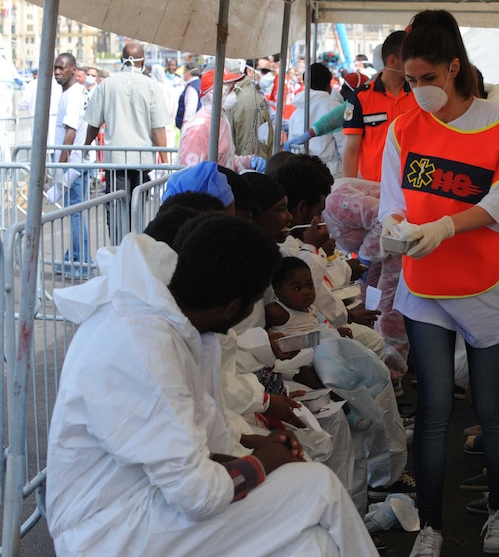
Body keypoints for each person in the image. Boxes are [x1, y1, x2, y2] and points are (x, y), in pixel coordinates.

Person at [46, 215, 378, 556]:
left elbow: (186, 448)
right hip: (110, 530)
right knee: (318, 487)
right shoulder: (144, 347)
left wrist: (261, 452)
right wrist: (264, 461)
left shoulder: (166, 320)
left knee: (313, 546)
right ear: (234, 307)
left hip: (144, 502)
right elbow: (197, 495)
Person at [378, 10, 499, 556]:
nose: (419, 90)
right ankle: (431, 525)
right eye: (411, 81)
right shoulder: (405, 127)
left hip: (485, 282)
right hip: (424, 283)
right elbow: (396, 200)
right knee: (432, 410)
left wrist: (448, 225)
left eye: (428, 78)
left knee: (491, 407)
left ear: (454, 67)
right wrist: (396, 226)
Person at [84, 42, 171, 245]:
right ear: (143, 61)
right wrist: (166, 162)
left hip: (116, 160)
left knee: (115, 209)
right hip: (142, 159)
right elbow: (158, 128)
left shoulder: (107, 84)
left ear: (122, 60)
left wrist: (86, 145)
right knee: (137, 209)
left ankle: (119, 249)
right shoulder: (151, 86)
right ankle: (135, 249)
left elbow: (94, 122)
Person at [342, 30, 418, 181]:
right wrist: (348, 187)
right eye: (410, 58)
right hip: (375, 188)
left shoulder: (419, 96)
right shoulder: (361, 97)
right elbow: (352, 149)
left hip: (411, 186)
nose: (415, 64)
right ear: (392, 61)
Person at [178, 69, 266, 173]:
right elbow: (190, 175)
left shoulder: (221, 120)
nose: (234, 93)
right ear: (214, 94)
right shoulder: (199, 128)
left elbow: (227, 162)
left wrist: (248, 161)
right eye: (231, 89)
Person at [50, 53, 91, 276]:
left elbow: (70, 133)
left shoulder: (74, 95)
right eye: (55, 68)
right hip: (77, 162)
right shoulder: (72, 92)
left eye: (61, 68)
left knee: (75, 213)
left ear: (73, 69)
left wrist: (61, 166)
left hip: (74, 164)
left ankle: (82, 262)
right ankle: (73, 257)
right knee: (75, 212)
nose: (57, 72)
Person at [288, 63, 345, 178]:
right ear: (329, 84)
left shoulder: (297, 111)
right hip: (330, 174)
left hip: (300, 173)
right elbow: (344, 146)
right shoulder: (335, 109)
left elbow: (292, 147)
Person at [227, 58, 274, 159]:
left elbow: (250, 151)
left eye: (268, 72)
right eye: (265, 71)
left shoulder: (248, 101)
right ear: (249, 71)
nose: (269, 76)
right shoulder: (243, 95)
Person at [176, 61, 202, 130]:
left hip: (191, 126)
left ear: (188, 72)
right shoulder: (200, 84)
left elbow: (190, 111)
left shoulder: (191, 87)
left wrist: (185, 128)